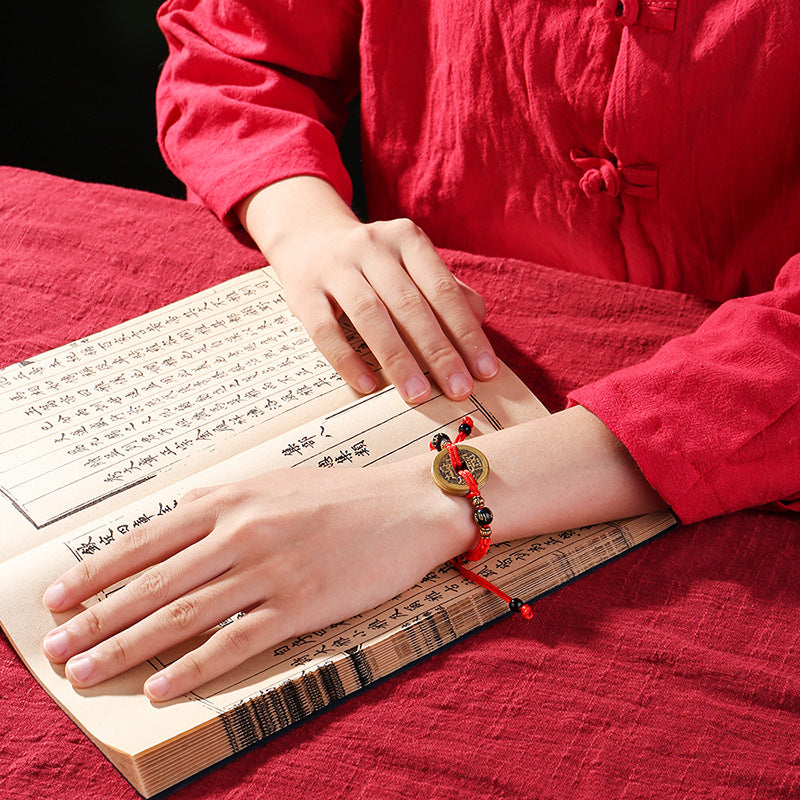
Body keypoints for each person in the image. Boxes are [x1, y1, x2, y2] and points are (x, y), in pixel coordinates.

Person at [41, 0, 800, 702]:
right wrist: (305, 225)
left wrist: (434, 499)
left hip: (745, 439)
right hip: (439, 366)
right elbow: (238, 53)